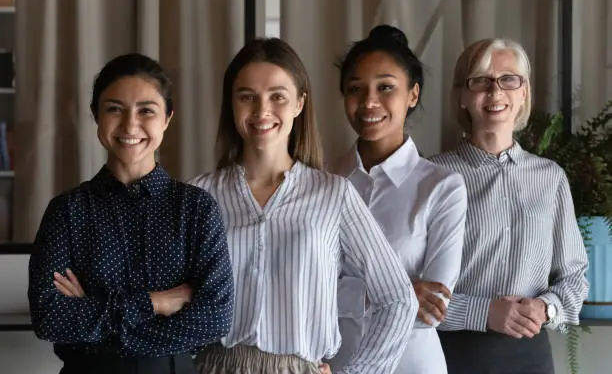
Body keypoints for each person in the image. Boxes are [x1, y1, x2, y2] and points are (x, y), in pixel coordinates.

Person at [189, 38, 417, 374]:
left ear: (299, 103)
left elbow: (398, 298)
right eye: (247, 96)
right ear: (232, 104)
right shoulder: (200, 195)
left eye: (277, 96)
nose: (262, 110)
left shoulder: (332, 195)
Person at [28, 53, 235, 374]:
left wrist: (94, 320)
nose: (129, 124)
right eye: (114, 109)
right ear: (96, 115)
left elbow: (214, 318)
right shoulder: (67, 210)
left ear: (167, 118)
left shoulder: (195, 208)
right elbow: (50, 319)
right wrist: (154, 303)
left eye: (146, 111)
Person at [429, 38, 589, 374]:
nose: (495, 91)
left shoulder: (550, 179)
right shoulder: (431, 177)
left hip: (530, 357)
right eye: (480, 81)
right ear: (461, 95)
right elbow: (411, 288)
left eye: (508, 79)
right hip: (451, 356)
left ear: (524, 93)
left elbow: (574, 276)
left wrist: (546, 308)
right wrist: (483, 312)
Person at [326, 25, 467, 374]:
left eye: (386, 87)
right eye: (356, 89)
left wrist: (344, 294)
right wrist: (398, 293)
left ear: (413, 94)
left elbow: (433, 308)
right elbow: (305, 289)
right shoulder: (322, 182)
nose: (369, 102)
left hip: (413, 365)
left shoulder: (442, 187)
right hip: (334, 365)